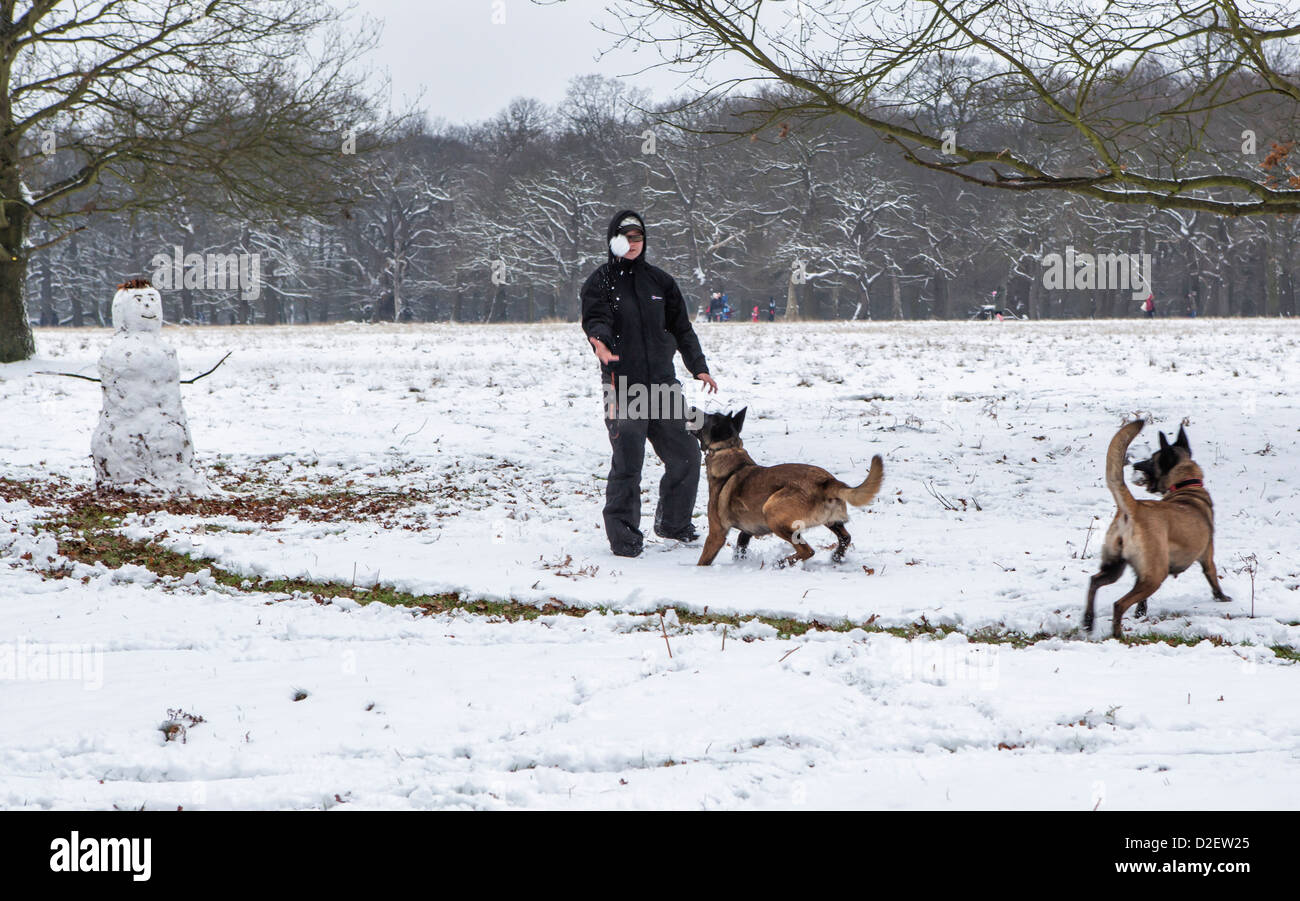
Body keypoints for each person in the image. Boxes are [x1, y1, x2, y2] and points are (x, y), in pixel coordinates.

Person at [580, 210, 719, 558]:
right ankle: (624, 538)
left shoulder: (661, 283)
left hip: (663, 387)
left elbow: (682, 329)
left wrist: (698, 367)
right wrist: (599, 342)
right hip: (623, 386)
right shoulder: (600, 282)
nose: (632, 244)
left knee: (686, 454)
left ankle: (673, 524)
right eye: (625, 238)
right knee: (629, 459)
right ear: (613, 240)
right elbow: (596, 319)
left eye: (638, 238)